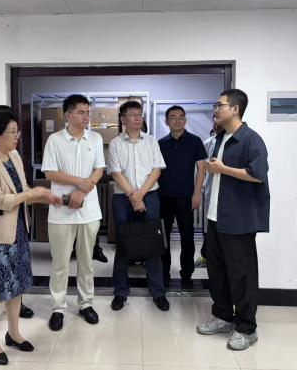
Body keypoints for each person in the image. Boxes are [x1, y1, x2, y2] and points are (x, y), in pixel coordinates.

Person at [0, 106, 60, 365]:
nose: (17, 136)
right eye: (12, 132)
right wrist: (32, 193)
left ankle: (13, 333)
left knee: (16, 286)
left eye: (17, 131)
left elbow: (22, 191)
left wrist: (43, 196)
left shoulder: (14, 157)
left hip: (19, 232)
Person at [196, 89, 270, 351]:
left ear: (235, 109)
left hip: (239, 220)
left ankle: (247, 328)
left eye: (220, 105)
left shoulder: (250, 139)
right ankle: (223, 316)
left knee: (242, 276)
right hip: (215, 217)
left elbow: (257, 174)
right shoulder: (219, 138)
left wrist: (224, 169)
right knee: (217, 272)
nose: (215, 109)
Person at [41, 94, 105, 331]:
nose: (86, 116)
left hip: (89, 211)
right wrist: (79, 182)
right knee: (60, 263)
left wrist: (82, 191)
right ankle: (58, 308)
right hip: (61, 212)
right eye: (81, 112)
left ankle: (86, 304)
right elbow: (49, 172)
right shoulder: (55, 140)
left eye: (88, 112)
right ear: (67, 115)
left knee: (87, 262)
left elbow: (99, 169)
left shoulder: (95, 138)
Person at [108, 100, 169, 312]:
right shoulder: (115, 143)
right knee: (124, 243)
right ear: (123, 119)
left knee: (153, 243)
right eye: (132, 114)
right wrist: (134, 197)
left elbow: (157, 170)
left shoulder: (151, 141)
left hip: (149, 195)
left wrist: (140, 195)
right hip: (122, 198)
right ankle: (120, 291)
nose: (137, 118)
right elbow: (116, 173)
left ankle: (158, 292)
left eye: (139, 114)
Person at [158, 105, 207, 289]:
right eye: (173, 117)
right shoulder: (160, 143)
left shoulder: (195, 141)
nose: (177, 120)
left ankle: (186, 275)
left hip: (186, 198)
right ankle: (164, 275)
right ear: (167, 121)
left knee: (187, 239)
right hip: (163, 198)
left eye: (181, 117)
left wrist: (197, 193)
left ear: (185, 120)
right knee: (163, 240)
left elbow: (201, 169)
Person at [195, 122, 222, 269]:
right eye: (214, 119)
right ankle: (207, 257)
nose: (216, 122)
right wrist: (197, 190)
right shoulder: (208, 143)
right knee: (208, 228)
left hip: (228, 193)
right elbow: (200, 168)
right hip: (210, 190)